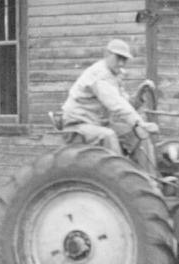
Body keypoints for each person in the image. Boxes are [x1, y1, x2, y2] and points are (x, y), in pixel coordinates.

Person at [56, 39, 158, 172]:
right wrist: (139, 123)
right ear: (107, 54)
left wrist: (139, 95)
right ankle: (118, 179)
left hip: (96, 123)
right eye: (118, 58)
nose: (121, 63)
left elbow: (125, 104)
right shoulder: (99, 75)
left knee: (138, 135)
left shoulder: (115, 75)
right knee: (108, 136)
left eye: (124, 59)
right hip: (78, 124)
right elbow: (116, 104)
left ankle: (150, 180)